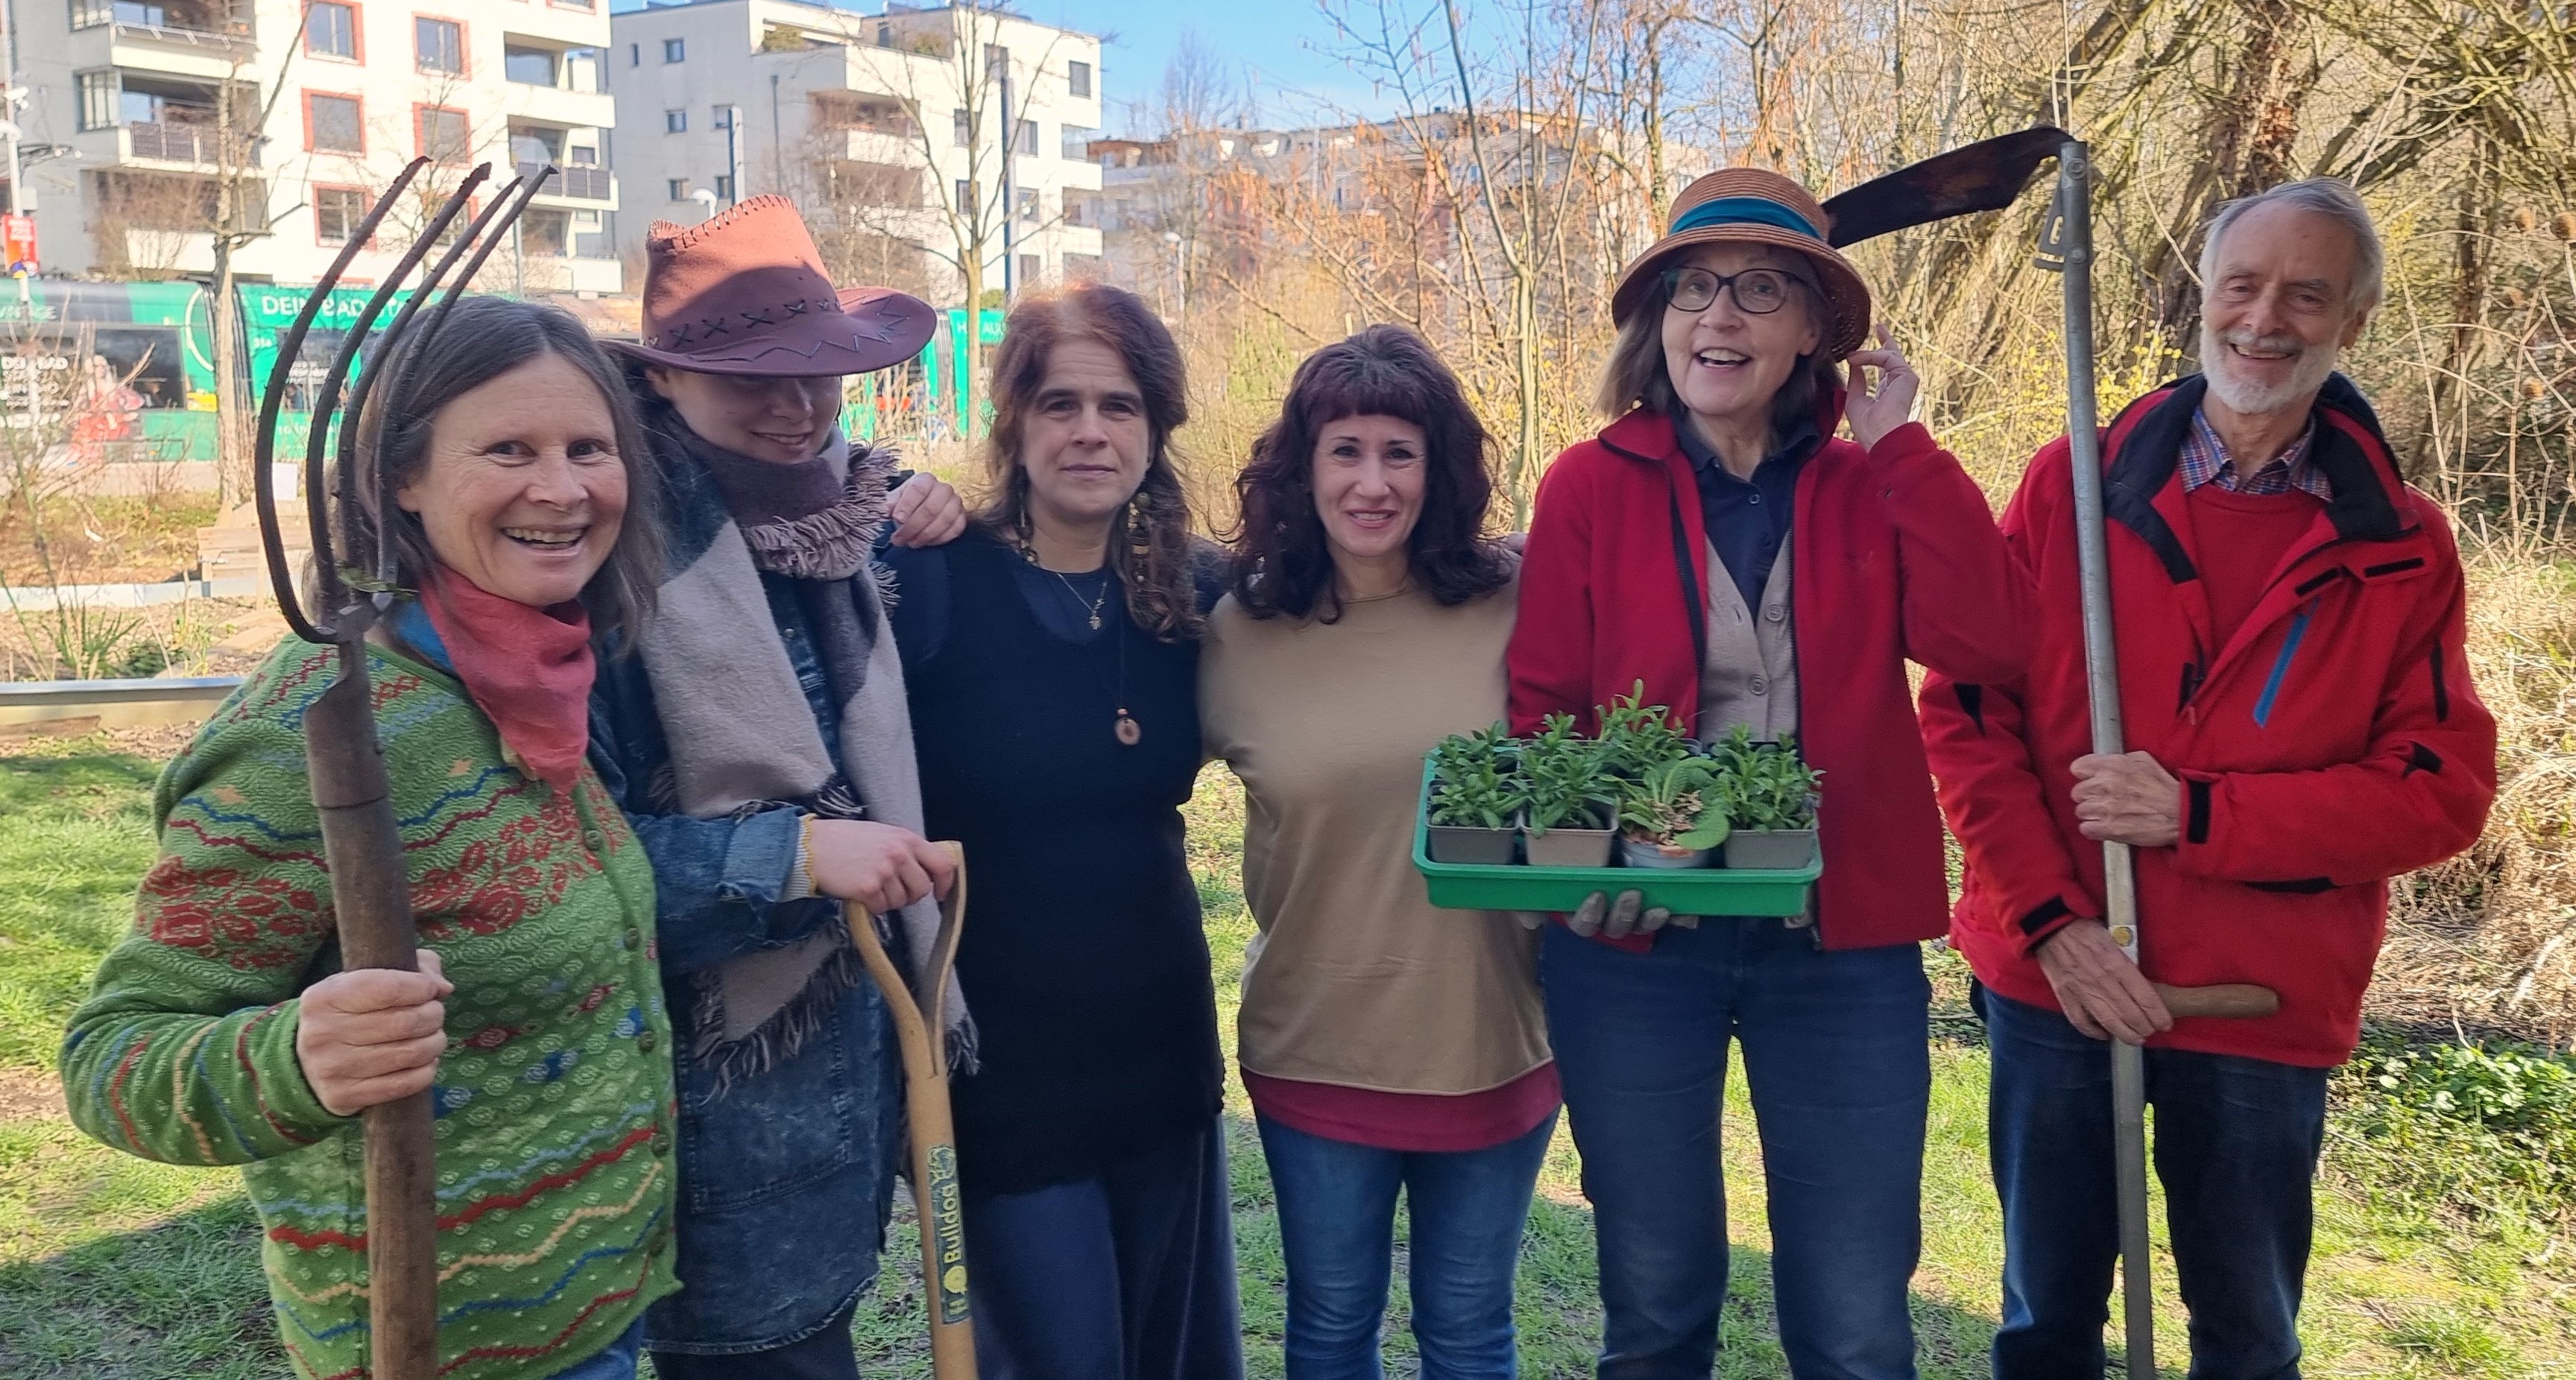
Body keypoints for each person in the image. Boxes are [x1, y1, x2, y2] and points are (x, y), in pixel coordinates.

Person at [1919, 177, 2497, 1380]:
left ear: (2354, 322)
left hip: (2259, 995)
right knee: (2044, 1325)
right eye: (2243, 285)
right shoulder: (2072, 488)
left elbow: (2439, 789)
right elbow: (1969, 713)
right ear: (2204, 296)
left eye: (2306, 295)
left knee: (2246, 1337)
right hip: (2062, 978)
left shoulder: (2402, 547)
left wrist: (2197, 814)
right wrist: (2053, 926)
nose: (2264, 319)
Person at [62, 297, 678, 1380]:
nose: (563, 488)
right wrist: (296, 1059)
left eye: (589, 448)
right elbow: (112, 1059)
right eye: (509, 450)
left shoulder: (526, 679)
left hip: (594, 1304)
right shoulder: (311, 734)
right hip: (441, 1345)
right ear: (401, 478)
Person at [1506, 167, 2033, 1379]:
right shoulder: (1590, 484)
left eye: (1760, 289)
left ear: (1814, 332)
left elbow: (1993, 644)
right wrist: (1587, 873)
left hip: (1837, 949)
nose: (1720, 315)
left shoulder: (1867, 484)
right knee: (1655, 1302)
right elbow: (1545, 711)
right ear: (1660, 324)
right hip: (1639, 947)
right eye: (1694, 288)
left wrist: (1902, 447)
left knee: (1855, 1322)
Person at [587, 194, 968, 1379]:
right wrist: (794, 858)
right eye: (751, 378)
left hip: (852, 1083)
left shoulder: (850, 522)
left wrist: (943, 523)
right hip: (711, 1116)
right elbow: (571, 868)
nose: (797, 406)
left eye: (818, 371)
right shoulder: (613, 569)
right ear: (663, 380)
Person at [882, 283, 1241, 1379]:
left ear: (1157, 428)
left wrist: (1504, 559)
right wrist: (885, 490)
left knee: (1164, 1352)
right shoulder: (929, 579)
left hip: (1159, 1039)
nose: (1091, 431)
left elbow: (1368, 582)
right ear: (1016, 425)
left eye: (1119, 406)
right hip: (1000, 1059)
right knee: (1059, 1353)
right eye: (1060, 404)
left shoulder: (1196, 594)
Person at [1203, 324, 1552, 1379]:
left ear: (1438, 471)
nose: (1372, 482)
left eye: (1400, 453)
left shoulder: (1515, 604)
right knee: (1329, 1327)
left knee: (1469, 1331)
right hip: (1315, 1043)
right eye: (1345, 450)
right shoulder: (1236, 631)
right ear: (1302, 470)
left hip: (1491, 1035)